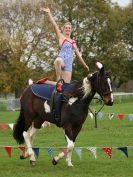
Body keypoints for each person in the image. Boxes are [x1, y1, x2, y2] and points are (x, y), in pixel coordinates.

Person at [40, 6, 89, 84]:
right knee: (57, 61)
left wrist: (85, 65)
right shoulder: (61, 37)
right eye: (66, 28)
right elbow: (55, 25)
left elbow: (78, 55)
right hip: (62, 58)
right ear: (64, 29)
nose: (67, 29)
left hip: (69, 63)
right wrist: (49, 13)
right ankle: (58, 80)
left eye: (69, 28)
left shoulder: (73, 42)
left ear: (71, 30)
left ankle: (46, 82)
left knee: (65, 86)